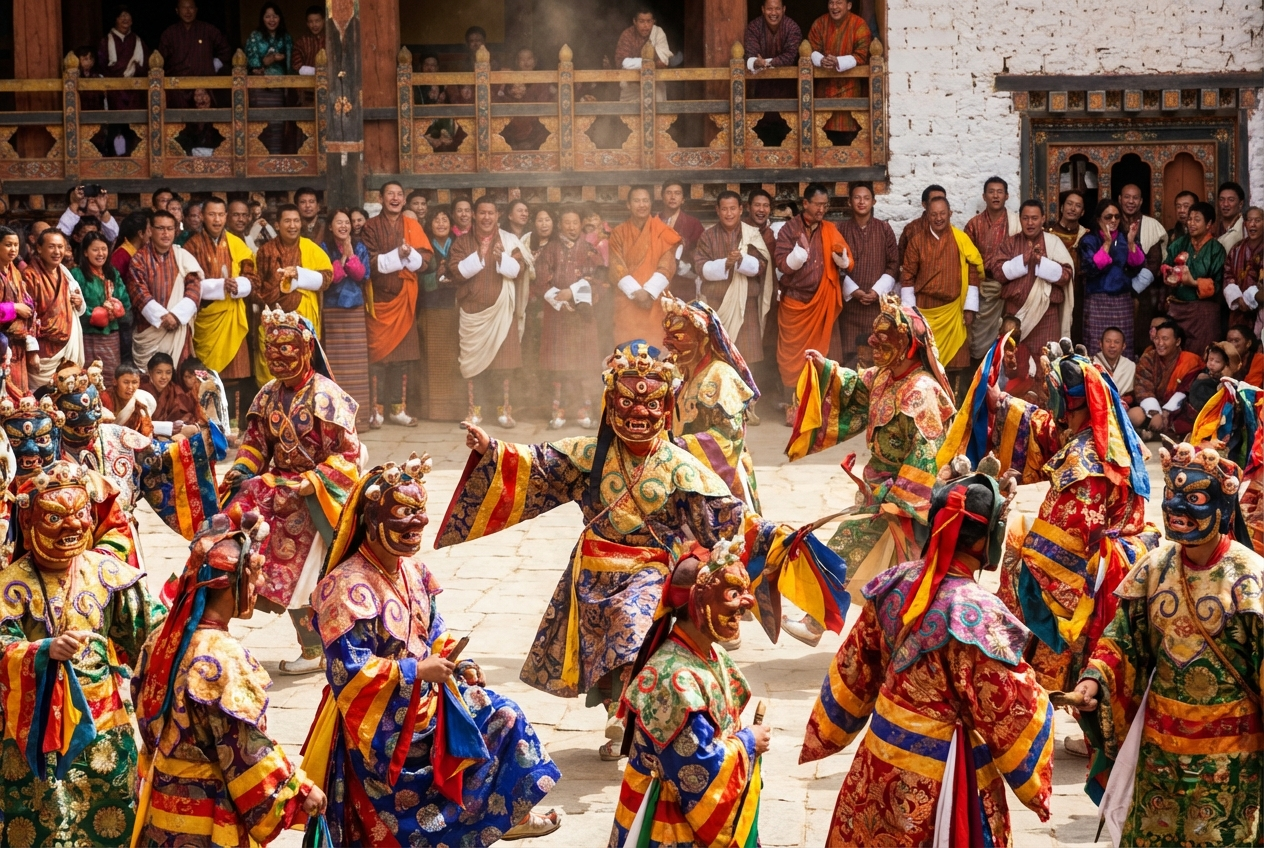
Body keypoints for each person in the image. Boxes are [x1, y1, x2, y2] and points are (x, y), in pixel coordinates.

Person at [436, 342, 744, 759]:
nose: (639, 415)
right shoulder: (588, 454)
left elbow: (722, 518)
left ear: (666, 407)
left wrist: (738, 548)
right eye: (627, 403)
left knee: (631, 631)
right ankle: (620, 715)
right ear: (609, 403)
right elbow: (537, 465)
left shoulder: (679, 465)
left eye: (651, 405)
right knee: (602, 652)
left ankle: (628, 718)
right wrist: (492, 448)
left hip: (650, 571)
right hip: (591, 572)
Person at [305, 455, 562, 844]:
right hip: (380, 719)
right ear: (372, 522)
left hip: (428, 699)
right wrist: (415, 672)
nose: (418, 525)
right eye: (403, 516)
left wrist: (458, 661)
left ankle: (506, 812)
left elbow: (432, 632)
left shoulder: (414, 571)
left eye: (420, 514)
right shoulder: (345, 587)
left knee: (506, 717)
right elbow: (346, 670)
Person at [800, 463, 1054, 845]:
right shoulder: (977, 615)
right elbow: (1008, 706)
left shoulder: (893, 583)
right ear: (984, 540)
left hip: (880, 756)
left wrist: (829, 731)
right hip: (945, 769)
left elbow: (854, 671)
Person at [1072, 442, 1264, 847]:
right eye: (1172, 496)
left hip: (1232, 756)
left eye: (1193, 499)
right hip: (1160, 751)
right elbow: (1124, 639)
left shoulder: (1249, 577)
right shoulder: (1156, 567)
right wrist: (1095, 679)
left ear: (1223, 509)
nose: (1177, 508)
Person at [977, 340, 1158, 746]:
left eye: (1051, 391)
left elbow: (1064, 540)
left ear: (1067, 402)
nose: (1045, 398)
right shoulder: (1111, 436)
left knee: (1023, 592)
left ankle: (1020, 716)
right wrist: (1003, 403)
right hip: (1118, 560)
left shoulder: (1084, 463)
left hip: (1087, 573)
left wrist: (1015, 546)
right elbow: (1045, 430)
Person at [0, 460, 163, 846]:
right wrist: (40, 651)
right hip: (33, 738)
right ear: (27, 523)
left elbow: (155, 636)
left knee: (114, 823)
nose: (73, 527)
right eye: (55, 518)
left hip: (106, 731)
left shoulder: (109, 574)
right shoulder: (10, 586)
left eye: (79, 514)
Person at [134, 513, 324, 845]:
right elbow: (242, 748)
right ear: (230, 584)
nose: (260, 586)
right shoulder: (222, 657)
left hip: (160, 798)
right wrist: (297, 789)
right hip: (206, 813)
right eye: (255, 577)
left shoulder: (159, 640)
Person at [783, 295, 956, 643]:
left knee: (886, 566)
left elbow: (928, 455)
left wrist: (898, 501)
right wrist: (825, 368)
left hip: (905, 500)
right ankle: (826, 623)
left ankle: (852, 629)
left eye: (884, 337)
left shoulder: (921, 393)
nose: (873, 342)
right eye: (874, 334)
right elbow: (854, 386)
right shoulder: (884, 377)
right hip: (878, 489)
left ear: (907, 345)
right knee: (861, 556)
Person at [219, 307, 360, 674]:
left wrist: (314, 480)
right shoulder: (266, 396)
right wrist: (240, 469)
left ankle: (313, 647)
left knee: (300, 574)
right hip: (275, 489)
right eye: (271, 349)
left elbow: (348, 455)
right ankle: (214, 626)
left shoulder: (327, 396)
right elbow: (255, 445)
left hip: (317, 495)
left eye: (286, 348)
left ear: (306, 348)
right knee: (224, 536)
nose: (277, 357)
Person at [610, 541, 767, 847]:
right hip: (673, 821)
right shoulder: (674, 680)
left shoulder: (713, 655)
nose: (746, 604)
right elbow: (695, 770)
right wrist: (749, 742)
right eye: (733, 595)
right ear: (698, 604)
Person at [662, 296, 762, 511]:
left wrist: (677, 445)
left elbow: (729, 437)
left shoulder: (721, 375)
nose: (668, 343)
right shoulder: (685, 375)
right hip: (686, 474)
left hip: (722, 480)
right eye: (668, 336)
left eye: (678, 336)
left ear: (703, 339)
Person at [449, 197, 528, 427]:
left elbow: (519, 269)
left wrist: (500, 257)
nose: (486, 218)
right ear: (474, 215)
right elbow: (456, 271)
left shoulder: (509, 240)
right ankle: (475, 412)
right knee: (473, 366)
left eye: (490, 213)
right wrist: (482, 256)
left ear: (498, 216)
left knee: (503, 365)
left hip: (502, 311)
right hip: (472, 313)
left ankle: (504, 412)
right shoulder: (462, 242)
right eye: (482, 213)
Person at [361, 181, 432, 427]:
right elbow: (367, 261)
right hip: (379, 301)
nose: (395, 198)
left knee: (402, 359)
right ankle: (376, 410)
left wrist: (411, 255)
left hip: (405, 299)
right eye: (390, 194)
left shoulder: (412, 225)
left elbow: (426, 260)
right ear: (380, 198)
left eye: (399, 194)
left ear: (404, 200)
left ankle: (397, 409)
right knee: (378, 359)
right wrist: (397, 256)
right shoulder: (370, 227)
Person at [773, 184, 850, 408]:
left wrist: (842, 259)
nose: (821, 209)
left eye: (825, 205)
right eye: (817, 204)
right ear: (805, 203)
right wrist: (799, 253)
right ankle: (792, 404)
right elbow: (782, 263)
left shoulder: (830, 228)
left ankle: (816, 404)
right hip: (795, 302)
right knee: (790, 357)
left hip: (821, 300)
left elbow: (846, 258)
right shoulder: (789, 229)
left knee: (821, 355)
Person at [185, 197, 257, 431]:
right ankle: (211, 424)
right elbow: (189, 282)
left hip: (232, 318)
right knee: (207, 376)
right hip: (208, 319)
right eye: (211, 214)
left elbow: (252, 277)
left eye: (220, 215)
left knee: (237, 376)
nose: (216, 219)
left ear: (225, 216)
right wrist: (218, 286)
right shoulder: (191, 245)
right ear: (202, 216)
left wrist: (241, 285)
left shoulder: (238, 244)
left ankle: (234, 426)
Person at [898, 195, 982, 388]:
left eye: (942, 213)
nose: (938, 218)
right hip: (925, 312)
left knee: (955, 365)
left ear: (950, 214)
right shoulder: (917, 242)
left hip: (953, 313)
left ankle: (954, 409)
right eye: (934, 214)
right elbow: (908, 277)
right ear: (926, 216)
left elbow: (972, 273)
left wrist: (969, 308)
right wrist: (911, 314)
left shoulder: (961, 240)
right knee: (924, 365)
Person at [534, 205, 602, 429]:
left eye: (575, 222)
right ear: (560, 225)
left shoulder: (590, 249)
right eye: (567, 223)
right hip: (558, 318)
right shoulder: (550, 250)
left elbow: (597, 280)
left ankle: (584, 411)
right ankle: (559, 411)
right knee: (559, 366)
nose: (571, 227)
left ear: (581, 224)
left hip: (583, 317)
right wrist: (561, 300)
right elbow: (542, 280)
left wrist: (572, 293)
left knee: (583, 366)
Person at [252, 203, 332, 385]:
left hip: (302, 322)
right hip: (274, 322)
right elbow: (257, 288)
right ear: (278, 225)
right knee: (272, 371)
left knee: (303, 367)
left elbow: (327, 278)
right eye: (287, 221)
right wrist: (281, 288)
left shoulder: (310, 247)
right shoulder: (266, 251)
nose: (292, 225)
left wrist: (299, 275)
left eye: (296, 221)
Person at [692, 190, 770, 367]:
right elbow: (700, 267)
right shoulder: (708, 236)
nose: (729, 214)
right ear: (717, 210)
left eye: (733, 208)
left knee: (747, 361)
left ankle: (749, 394)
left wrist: (742, 260)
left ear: (741, 209)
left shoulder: (751, 234)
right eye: (725, 209)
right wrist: (725, 264)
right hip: (717, 306)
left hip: (746, 307)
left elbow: (762, 265)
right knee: (719, 360)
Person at [987, 199, 1075, 355]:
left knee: (1046, 363)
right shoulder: (1010, 243)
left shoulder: (1053, 242)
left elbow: (1066, 276)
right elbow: (998, 273)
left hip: (1046, 316)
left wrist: (1042, 262)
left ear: (1043, 218)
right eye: (1025, 218)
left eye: (1034, 218)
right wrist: (1024, 259)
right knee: (1014, 364)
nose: (1030, 223)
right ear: (1020, 219)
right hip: (1015, 315)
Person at [127, 209, 202, 371]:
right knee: (149, 380)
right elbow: (138, 292)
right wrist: (162, 317)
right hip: (150, 332)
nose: (165, 233)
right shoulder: (139, 259)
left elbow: (195, 288)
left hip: (178, 329)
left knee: (179, 376)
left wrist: (176, 316)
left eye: (169, 229)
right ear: (150, 230)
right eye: (160, 228)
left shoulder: (183, 256)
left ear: (175, 231)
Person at [607, 185, 682, 348]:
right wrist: (637, 293)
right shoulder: (618, 233)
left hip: (654, 303)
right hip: (628, 303)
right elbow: (616, 267)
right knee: (627, 357)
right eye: (636, 201)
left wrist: (648, 292)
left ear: (651, 203)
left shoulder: (663, 232)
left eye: (645, 200)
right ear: (628, 204)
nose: (641, 205)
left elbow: (667, 265)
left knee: (655, 355)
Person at [837, 181, 898, 367]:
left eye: (866, 198)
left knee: (878, 355)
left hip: (876, 308)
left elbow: (894, 263)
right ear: (849, 202)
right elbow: (834, 266)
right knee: (850, 357)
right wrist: (853, 290)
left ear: (874, 202)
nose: (861, 202)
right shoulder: (840, 230)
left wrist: (876, 291)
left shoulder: (884, 229)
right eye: (857, 198)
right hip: (850, 309)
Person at [321, 208, 371, 422]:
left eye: (347, 223)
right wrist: (342, 258)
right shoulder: (324, 247)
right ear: (331, 226)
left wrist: (351, 254)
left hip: (354, 309)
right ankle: (335, 415)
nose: (343, 226)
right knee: (336, 364)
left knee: (357, 366)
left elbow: (362, 275)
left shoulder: (360, 247)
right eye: (338, 223)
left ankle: (359, 416)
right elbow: (331, 278)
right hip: (332, 309)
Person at [964, 177, 1020, 360]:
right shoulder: (973, 224)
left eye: (1000, 192)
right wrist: (975, 284)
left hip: (1006, 287)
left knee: (1005, 334)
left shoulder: (1016, 224)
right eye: (991, 192)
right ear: (984, 196)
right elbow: (967, 261)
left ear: (1007, 196)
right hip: (981, 286)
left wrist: (1006, 287)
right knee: (976, 336)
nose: (995, 195)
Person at [1080, 198, 1145, 356]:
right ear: (1098, 219)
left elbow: (1138, 266)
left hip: (1122, 300)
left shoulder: (1125, 238)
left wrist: (1130, 243)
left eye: (1117, 216)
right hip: (1097, 300)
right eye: (1108, 217)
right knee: (1095, 348)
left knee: (1122, 348)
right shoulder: (1089, 240)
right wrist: (1107, 243)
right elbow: (1091, 268)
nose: (1114, 220)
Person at [1163, 200, 1226, 359]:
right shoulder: (1180, 243)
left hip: (1204, 312)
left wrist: (1193, 282)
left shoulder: (1216, 249)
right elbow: (1165, 265)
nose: (1191, 223)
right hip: (1178, 307)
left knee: (1200, 355)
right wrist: (1169, 273)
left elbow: (1218, 284)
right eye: (1190, 219)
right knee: (1176, 354)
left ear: (1209, 224)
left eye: (1197, 220)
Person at [418, 208, 465, 421]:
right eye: (436, 219)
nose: (441, 223)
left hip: (455, 308)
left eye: (445, 218)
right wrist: (436, 278)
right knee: (433, 359)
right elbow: (418, 277)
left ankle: (456, 410)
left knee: (453, 359)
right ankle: (435, 411)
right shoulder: (424, 244)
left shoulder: (459, 243)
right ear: (430, 224)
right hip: (431, 307)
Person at [25, 228, 86, 388]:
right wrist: (32, 351)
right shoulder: (30, 276)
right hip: (43, 350)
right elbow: (26, 318)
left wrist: (79, 302)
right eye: (51, 246)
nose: (57, 251)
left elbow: (79, 307)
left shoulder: (65, 273)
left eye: (61, 247)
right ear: (39, 248)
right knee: (41, 400)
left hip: (68, 346)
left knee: (70, 395)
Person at [807, 0, 871, 146]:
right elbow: (809, 50)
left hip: (851, 90)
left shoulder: (859, 25)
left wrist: (838, 61)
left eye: (839, 3)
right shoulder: (819, 24)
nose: (834, 7)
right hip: (824, 91)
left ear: (849, 5)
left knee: (849, 139)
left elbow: (862, 55)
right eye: (831, 3)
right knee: (822, 139)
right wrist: (821, 60)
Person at [72, 231, 131, 385]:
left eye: (104, 249)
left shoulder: (112, 273)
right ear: (85, 252)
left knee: (110, 380)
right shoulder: (77, 274)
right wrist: (96, 314)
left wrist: (114, 308)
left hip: (111, 336)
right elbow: (73, 305)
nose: (101, 253)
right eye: (95, 249)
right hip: (86, 336)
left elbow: (125, 300)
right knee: (88, 379)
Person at [1128, 320, 1204, 439]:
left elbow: (1185, 392)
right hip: (1152, 411)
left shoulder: (1190, 361)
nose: (1160, 343)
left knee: (1192, 417)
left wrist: (1166, 413)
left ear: (1177, 341)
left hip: (1176, 412)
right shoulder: (1148, 358)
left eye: (1165, 339)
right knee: (1134, 415)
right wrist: (1155, 413)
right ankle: (1160, 433)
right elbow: (1143, 389)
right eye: (1157, 338)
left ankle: (1153, 435)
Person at [1118, 183, 1168, 356]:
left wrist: (1134, 287)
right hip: (1115, 289)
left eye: (1135, 198)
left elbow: (1155, 261)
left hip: (1143, 291)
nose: (1131, 201)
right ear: (1119, 199)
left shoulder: (1151, 225)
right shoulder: (1112, 223)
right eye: (1127, 197)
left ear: (1141, 201)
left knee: (1141, 336)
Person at [158, 0, 231, 107]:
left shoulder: (208, 30)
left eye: (191, 8)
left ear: (196, 10)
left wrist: (215, 64)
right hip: (178, 89)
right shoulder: (169, 34)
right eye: (184, 8)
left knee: (205, 121)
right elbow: (160, 61)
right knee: (178, 121)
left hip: (204, 86)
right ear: (177, 10)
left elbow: (226, 50)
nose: (188, 11)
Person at [246, 5, 292, 156]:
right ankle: (259, 160)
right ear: (262, 18)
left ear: (280, 18)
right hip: (259, 88)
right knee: (259, 124)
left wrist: (283, 58)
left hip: (278, 89)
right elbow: (251, 61)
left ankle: (276, 158)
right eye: (267, 16)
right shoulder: (255, 36)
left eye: (275, 16)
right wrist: (266, 61)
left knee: (277, 124)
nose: (271, 20)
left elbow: (290, 63)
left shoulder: (285, 37)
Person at [1172, 340, 1239, 437]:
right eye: (1210, 359)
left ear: (1226, 364)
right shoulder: (1203, 373)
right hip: (1198, 405)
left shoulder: (1228, 379)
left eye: (1217, 361)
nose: (1212, 363)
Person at [1047, 190, 1088, 342]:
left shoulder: (1086, 236)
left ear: (1082, 212)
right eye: (1069, 204)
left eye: (1077, 206)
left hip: (1079, 295)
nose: (1072, 208)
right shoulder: (1048, 235)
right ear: (1062, 207)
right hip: (1054, 294)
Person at [0, 225, 36, 395]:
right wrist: (14, 307)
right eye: (8, 244)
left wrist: (28, 306)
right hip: (2, 342)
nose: (13, 249)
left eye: (15, 245)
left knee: (20, 394)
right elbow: (17, 305)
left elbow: (25, 297)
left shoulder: (14, 271)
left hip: (18, 343)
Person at [614, 6, 673, 102]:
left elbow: (664, 59)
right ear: (635, 21)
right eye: (641, 21)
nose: (645, 26)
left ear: (654, 21)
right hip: (631, 84)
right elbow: (622, 62)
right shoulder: (627, 35)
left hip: (655, 82)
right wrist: (650, 62)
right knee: (629, 114)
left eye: (649, 21)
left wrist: (644, 63)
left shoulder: (658, 33)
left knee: (659, 113)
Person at [98, 6, 146, 118]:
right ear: (116, 19)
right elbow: (102, 66)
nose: (125, 19)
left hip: (134, 90)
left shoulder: (138, 41)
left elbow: (145, 66)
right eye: (122, 16)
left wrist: (134, 69)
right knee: (115, 122)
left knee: (135, 123)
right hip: (114, 91)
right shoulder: (105, 42)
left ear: (132, 20)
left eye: (128, 16)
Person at [658, 180, 704, 297]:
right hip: (657, 282)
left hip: (684, 284)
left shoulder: (693, 223)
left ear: (683, 199)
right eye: (669, 193)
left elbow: (702, 253)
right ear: (662, 197)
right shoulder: (654, 221)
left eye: (677, 193)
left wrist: (687, 265)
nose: (673, 197)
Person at [1224, 205, 1263, 329]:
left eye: (1257, 220)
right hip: (1238, 310)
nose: (1252, 224)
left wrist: (1250, 298)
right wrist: (1237, 298)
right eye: (1249, 220)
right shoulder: (1236, 249)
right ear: (1245, 224)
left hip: (1261, 311)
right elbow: (1227, 274)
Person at [151, 354, 206, 440]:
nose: (164, 377)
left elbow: (185, 415)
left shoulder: (175, 391)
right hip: (148, 431)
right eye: (159, 372)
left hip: (171, 432)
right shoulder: (143, 389)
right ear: (150, 372)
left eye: (168, 373)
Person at [897, 183, 947, 266]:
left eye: (942, 201)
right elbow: (901, 260)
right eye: (934, 200)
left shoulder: (952, 231)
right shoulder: (911, 229)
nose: (939, 204)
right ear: (924, 204)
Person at [102, 361, 154, 434]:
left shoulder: (140, 402)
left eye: (134, 382)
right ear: (115, 382)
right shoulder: (105, 398)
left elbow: (146, 431)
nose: (130, 387)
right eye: (126, 382)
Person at [1095, 326, 1135, 403]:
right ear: (1100, 344)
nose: (1112, 345)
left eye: (1116, 342)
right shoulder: (1092, 364)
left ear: (1123, 346)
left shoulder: (1130, 366)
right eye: (1108, 341)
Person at [110, 209, 149, 282]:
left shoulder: (139, 252)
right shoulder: (120, 256)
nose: (151, 234)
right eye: (148, 230)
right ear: (141, 233)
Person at [292, 5, 324, 92]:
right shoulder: (301, 42)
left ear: (323, 21)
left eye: (317, 21)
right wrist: (319, 72)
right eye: (311, 22)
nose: (314, 25)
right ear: (307, 23)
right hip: (306, 89)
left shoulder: (330, 41)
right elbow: (297, 66)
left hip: (329, 88)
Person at [1216, 180, 1246, 251]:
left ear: (1240, 204)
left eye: (1231, 200)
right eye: (1221, 199)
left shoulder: (1245, 228)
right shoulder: (1213, 227)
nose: (1225, 204)